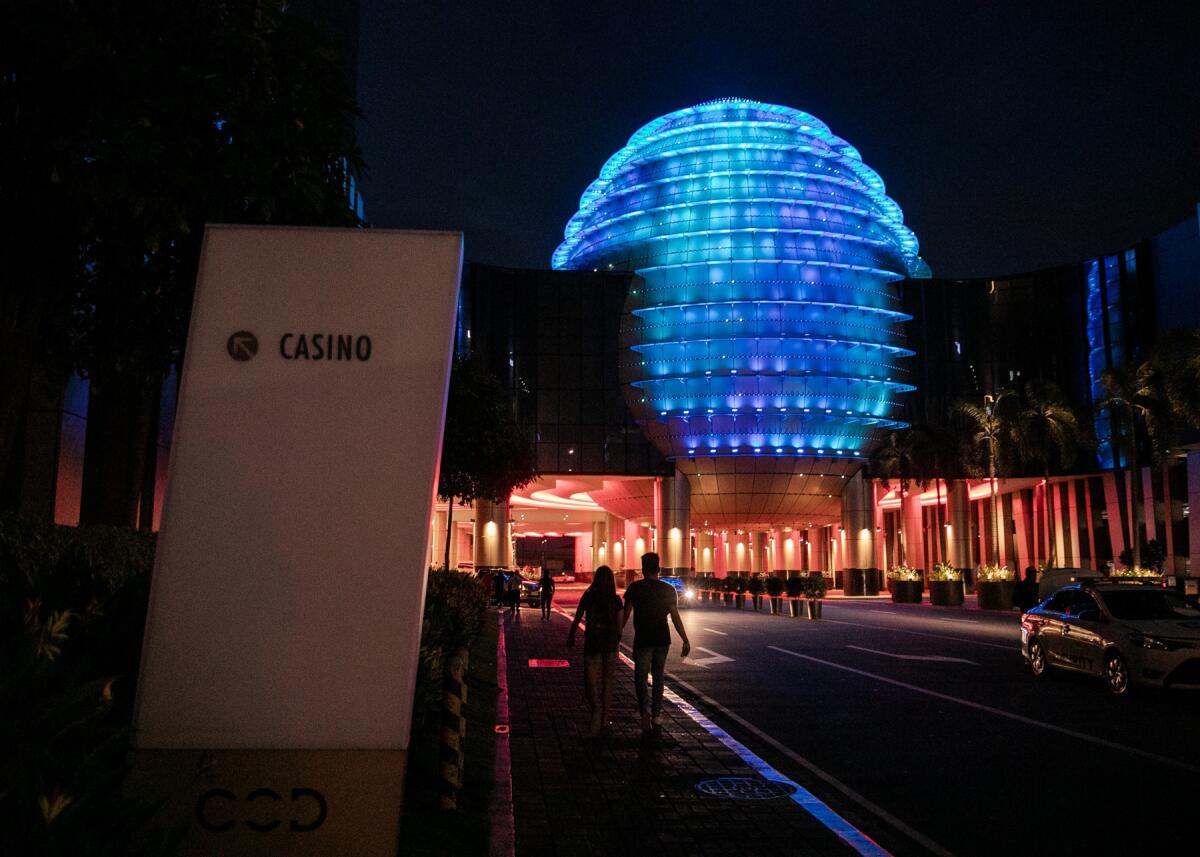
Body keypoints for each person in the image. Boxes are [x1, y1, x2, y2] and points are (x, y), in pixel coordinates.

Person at [622, 552, 690, 734]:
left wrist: (617, 633)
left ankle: (644, 711)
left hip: (643, 639)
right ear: (658, 569)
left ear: (643, 569)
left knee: (640, 677)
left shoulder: (634, 588)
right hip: (662, 639)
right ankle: (657, 714)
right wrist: (685, 639)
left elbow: (625, 613)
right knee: (658, 676)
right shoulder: (668, 590)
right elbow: (675, 617)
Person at [566, 565, 623, 736]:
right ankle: (605, 719)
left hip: (592, 644)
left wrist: (571, 637)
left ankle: (596, 712)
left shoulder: (588, 596)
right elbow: (620, 629)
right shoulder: (616, 600)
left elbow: (577, 618)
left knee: (591, 682)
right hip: (610, 646)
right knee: (608, 683)